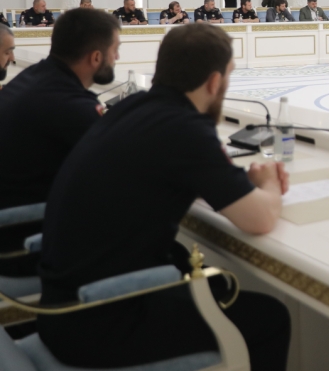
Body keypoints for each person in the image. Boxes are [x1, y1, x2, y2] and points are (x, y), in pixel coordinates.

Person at [37, 24, 291, 371]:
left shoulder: (133, 108)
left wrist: (224, 179)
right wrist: (269, 183)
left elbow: (167, 170)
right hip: (98, 323)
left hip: (61, 306)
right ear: (214, 82)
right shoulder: (184, 128)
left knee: (210, 281)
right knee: (270, 318)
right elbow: (260, 219)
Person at [0, 9, 120, 278]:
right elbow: (119, 174)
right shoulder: (71, 105)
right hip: (25, 249)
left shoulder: (31, 78)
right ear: (96, 57)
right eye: (115, 50)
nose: (117, 58)